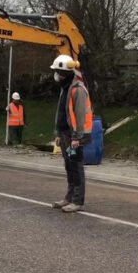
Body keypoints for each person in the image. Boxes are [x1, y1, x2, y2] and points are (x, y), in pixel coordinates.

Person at [50, 55, 92, 213]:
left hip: (75, 136)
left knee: (76, 167)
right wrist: (59, 133)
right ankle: (68, 197)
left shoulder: (78, 90)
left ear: (64, 72)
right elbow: (62, 113)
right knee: (69, 166)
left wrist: (77, 138)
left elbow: (80, 115)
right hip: (65, 134)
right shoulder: (65, 88)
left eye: (57, 71)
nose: (55, 75)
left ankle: (77, 201)